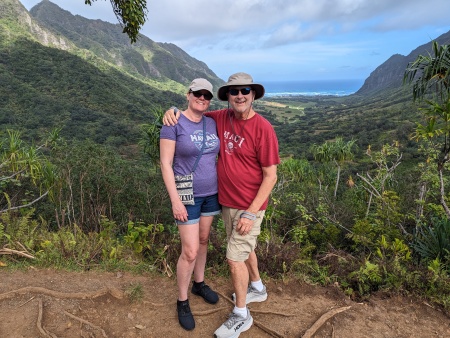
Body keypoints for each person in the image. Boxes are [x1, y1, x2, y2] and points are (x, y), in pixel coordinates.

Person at [163, 72, 280, 337]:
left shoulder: (263, 128)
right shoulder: (220, 118)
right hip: (226, 201)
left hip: (248, 205)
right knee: (242, 246)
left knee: (233, 257)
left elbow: (271, 175)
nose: (240, 95)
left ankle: (241, 315)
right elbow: (191, 114)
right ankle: (257, 288)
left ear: (253, 95)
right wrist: (171, 110)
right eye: (234, 91)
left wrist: (251, 212)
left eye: (245, 91)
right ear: (227, 96)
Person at [159, 78, 221, 331]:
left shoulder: (212, 121)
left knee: (204, 240)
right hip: (187, 196)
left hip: (212, 193)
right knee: (190, 250)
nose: (202, 98)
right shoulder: (173, 123)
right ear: (188, 94)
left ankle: (199, 283)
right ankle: (182, 300)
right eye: (198, 93)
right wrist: (175, 201)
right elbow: (165, 164)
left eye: (207, 95)